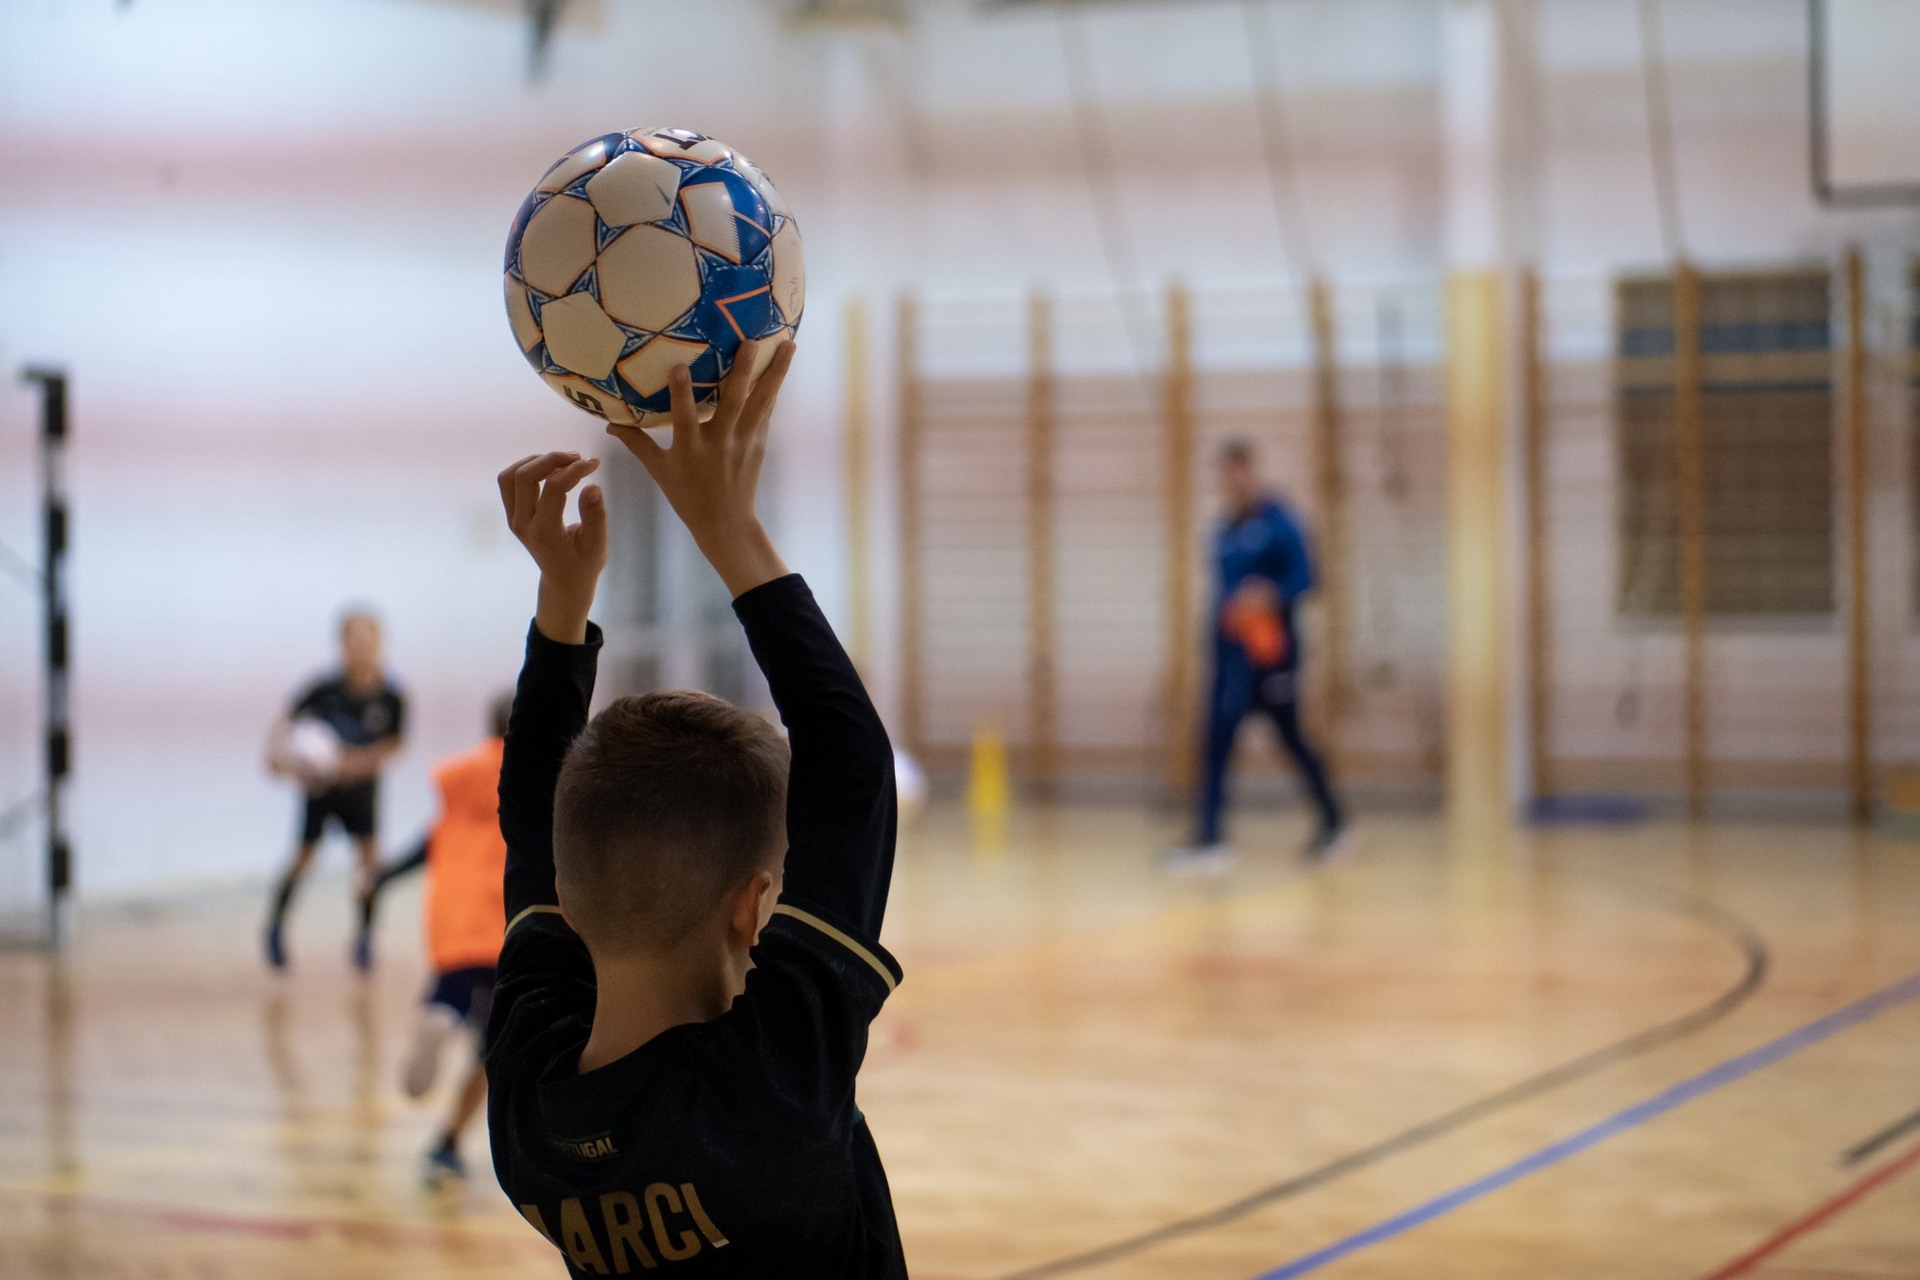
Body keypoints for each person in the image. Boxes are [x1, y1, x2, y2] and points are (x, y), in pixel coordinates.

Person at [486, 341, 907, 1276]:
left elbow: (851, 774)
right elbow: (854, 772)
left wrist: (569, 598)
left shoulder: (532, 1107)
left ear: (571, 892)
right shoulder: (767, 1091)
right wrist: (724, 530)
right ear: (753, 906)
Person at [1165, 438, 1345, 875]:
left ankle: (1335, 823)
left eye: (1239, 471)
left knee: (1291, 738)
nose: (1233, 481)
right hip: (1231, 660)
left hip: (1272, 659)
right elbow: (1223, 597)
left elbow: (1307, 578)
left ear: (1252, 472)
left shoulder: (1279, 522)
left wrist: (1270, 594)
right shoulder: (1222, 531)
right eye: (1225, 474)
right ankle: (1210, 837)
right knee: (1216, 739)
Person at [398, 692, 514, 1187]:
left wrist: (381, 878)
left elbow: (428, 842)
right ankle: (446, 1144)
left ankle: (442, 1014)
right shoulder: (542, 780)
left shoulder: (461, 779)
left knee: (454, 994)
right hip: (507, 925)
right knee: (495, 1052)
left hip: (456, 920)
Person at [264, 611, 406, 970]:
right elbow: (284, 720)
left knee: (369, 864)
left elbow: (394, 745)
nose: (362, 648)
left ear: (379, 643)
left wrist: (353, 764)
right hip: (321, 790)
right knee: (303, 857)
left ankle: (364, 939)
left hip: (362, 793)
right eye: (354, 641)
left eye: (368, 640)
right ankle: (275, 927)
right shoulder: (323, 688)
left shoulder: (391, 696)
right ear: (342, 644)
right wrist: (277, 756)